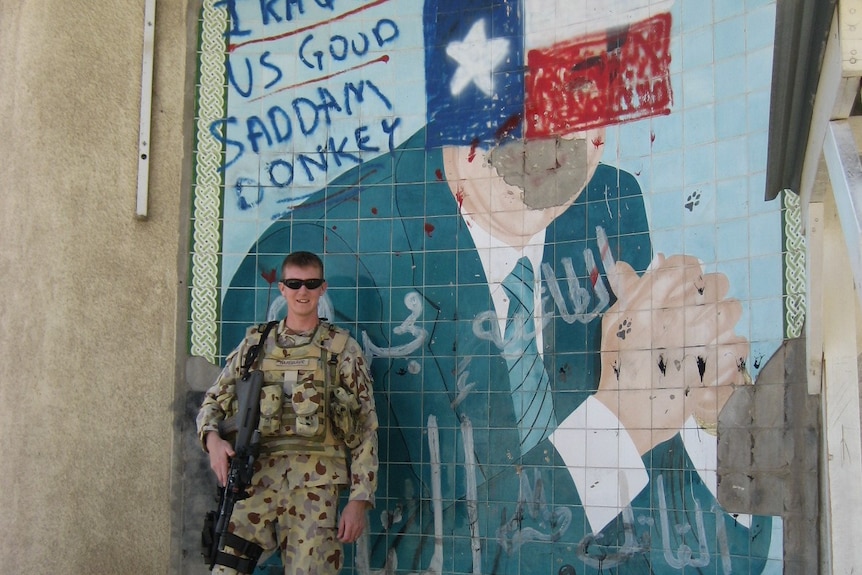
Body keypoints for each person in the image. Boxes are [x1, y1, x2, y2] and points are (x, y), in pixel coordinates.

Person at [197, 251, 379, 574]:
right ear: (282, 288)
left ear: (323, 288)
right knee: (224, 568)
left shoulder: (342, 350)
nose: (302, 292)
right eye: (294, 283)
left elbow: (365, 429)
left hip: (315, 492)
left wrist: (359, 500)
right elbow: (213, 401)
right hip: (255, 483)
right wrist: (212, 441)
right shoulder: (256, 345)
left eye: (310, 284)